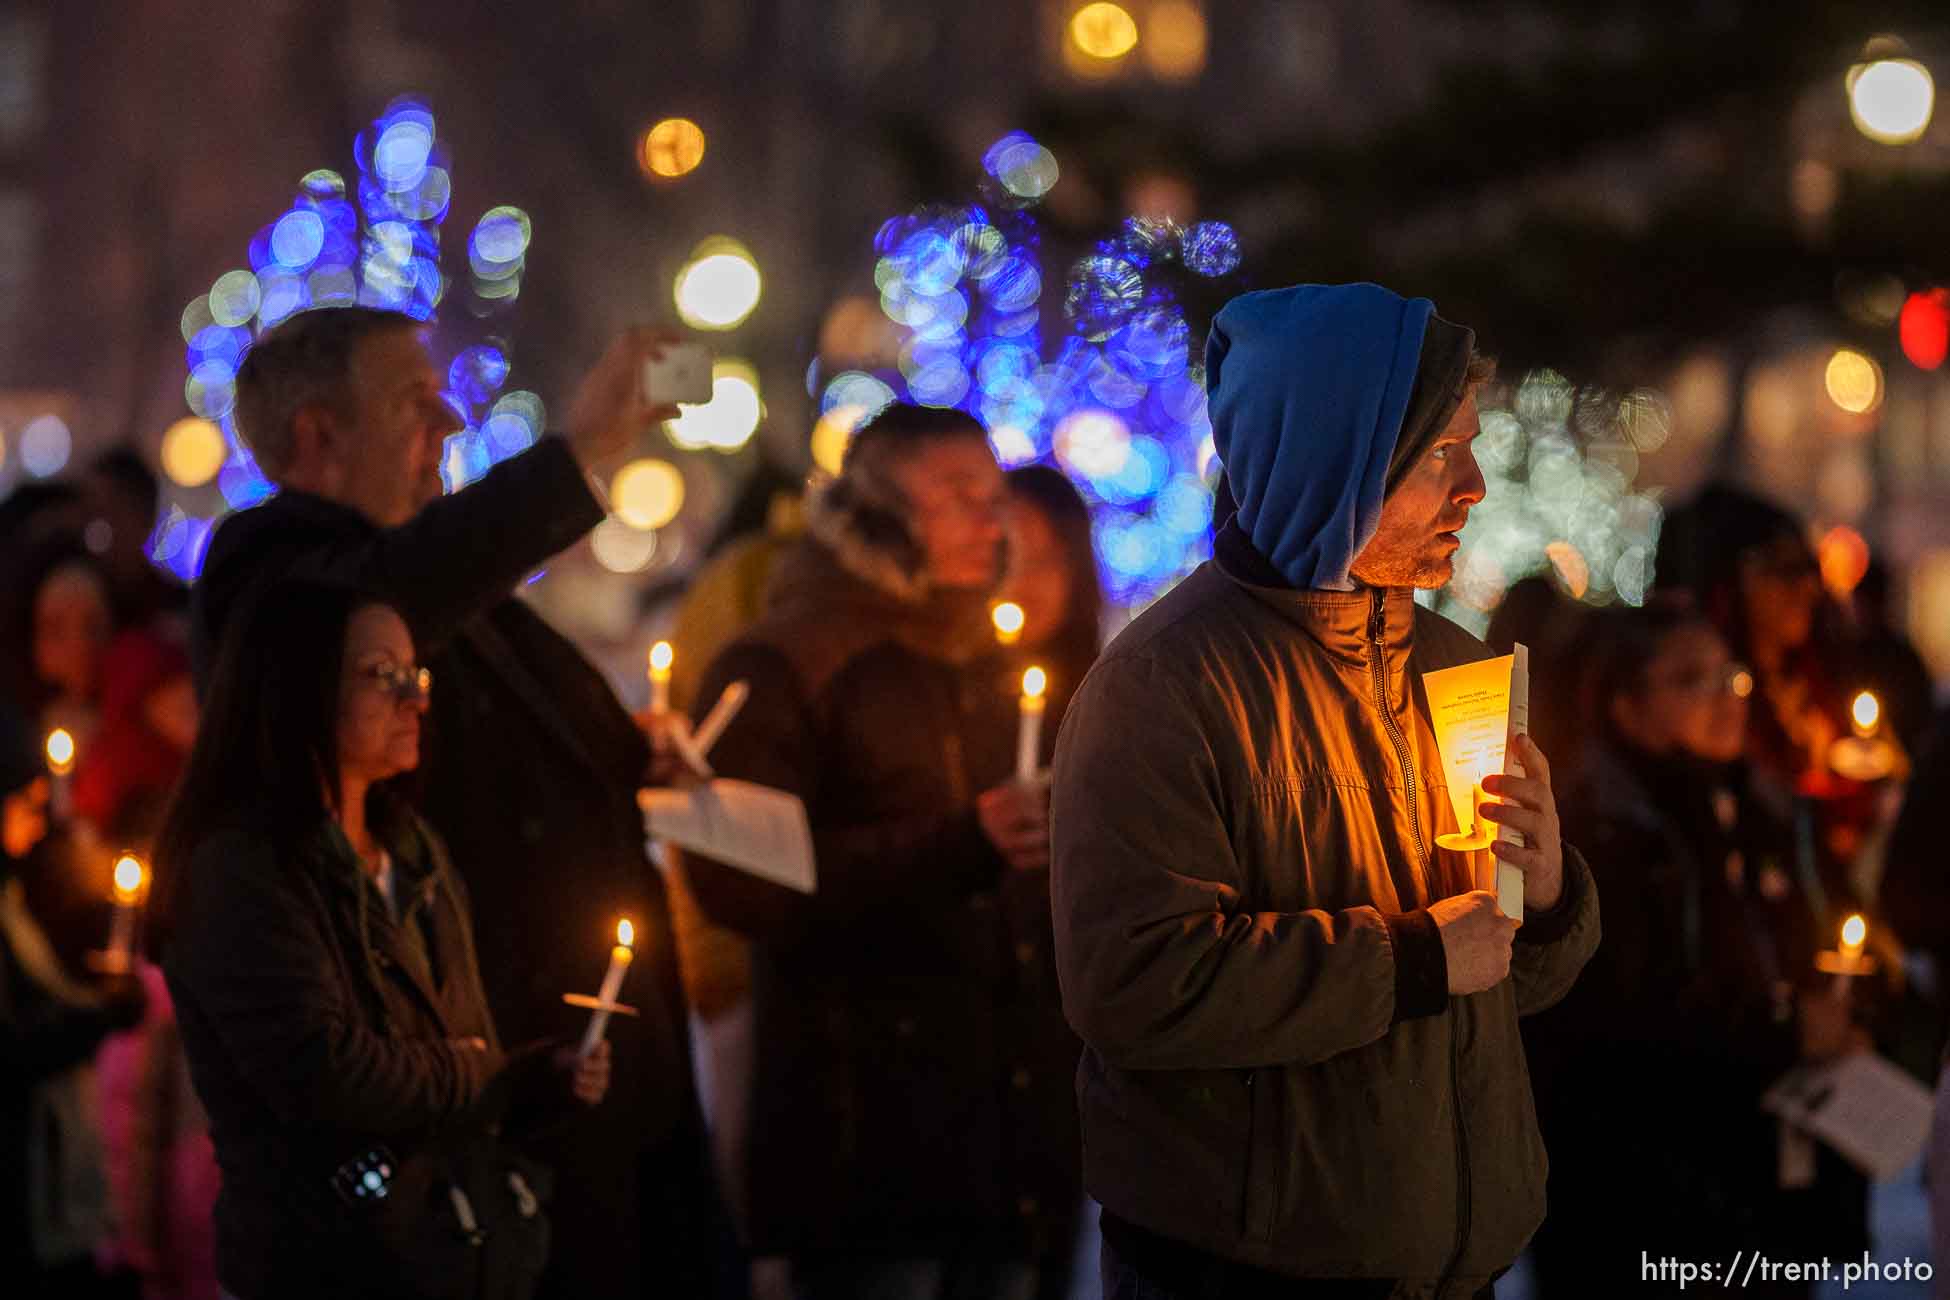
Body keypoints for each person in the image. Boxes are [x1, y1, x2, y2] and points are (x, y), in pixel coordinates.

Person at [1051, 283, 1600, 1297]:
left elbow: (1505, 978)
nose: (1475, 485)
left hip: (1454, 1262)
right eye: (1442, 453)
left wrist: (1548, 891)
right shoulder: (1164, 690)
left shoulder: (1451, 664)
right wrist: (1412, 956)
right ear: (1337, 460)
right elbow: (1132, 988)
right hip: (1248, 1266)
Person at [188, 306, 720, 1298]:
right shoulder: (278, 573)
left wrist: (636, 754)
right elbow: (399, 589)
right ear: (318, 433)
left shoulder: (454, 597)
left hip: (576, 1071)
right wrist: (582, 448)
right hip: (483, 1099)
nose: (449, 421)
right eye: (412, 399)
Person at [683, 403, 1084, 1299]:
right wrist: (959, 842)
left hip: (1004, 1136)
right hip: (864, 1136)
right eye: (959, 497)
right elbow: (739, 882)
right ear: (877, 512)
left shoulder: (988, 649)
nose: (994, 520)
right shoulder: (788, 661)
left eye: (994, 494)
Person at [158, 580, 610, 1300]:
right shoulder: (241, 872)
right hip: (331, 1268)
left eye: (415, 673)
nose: (416, 699)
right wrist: (478, 1072)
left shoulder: (413, 850)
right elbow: (324, 1074)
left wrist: (533, 1080)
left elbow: (448, 1057)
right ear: (297, 688)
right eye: (380, 675)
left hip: (454, 1253)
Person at [1522, 599, 1863, 1297]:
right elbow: (1622, 1021)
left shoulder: (1757, 807)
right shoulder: (1602, 836)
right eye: (1691, 680)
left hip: (1757, 1184)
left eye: (1730, 677)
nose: (1727, 697)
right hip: (1647, 1204)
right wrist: (1785, 1030)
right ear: (1626, 705)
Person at [0, 700, 148, 1296]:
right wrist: (97, 1018)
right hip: (19, 1186)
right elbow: (11, 1049)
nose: (36, 820)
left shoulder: (15, 891)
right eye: (24, 803)